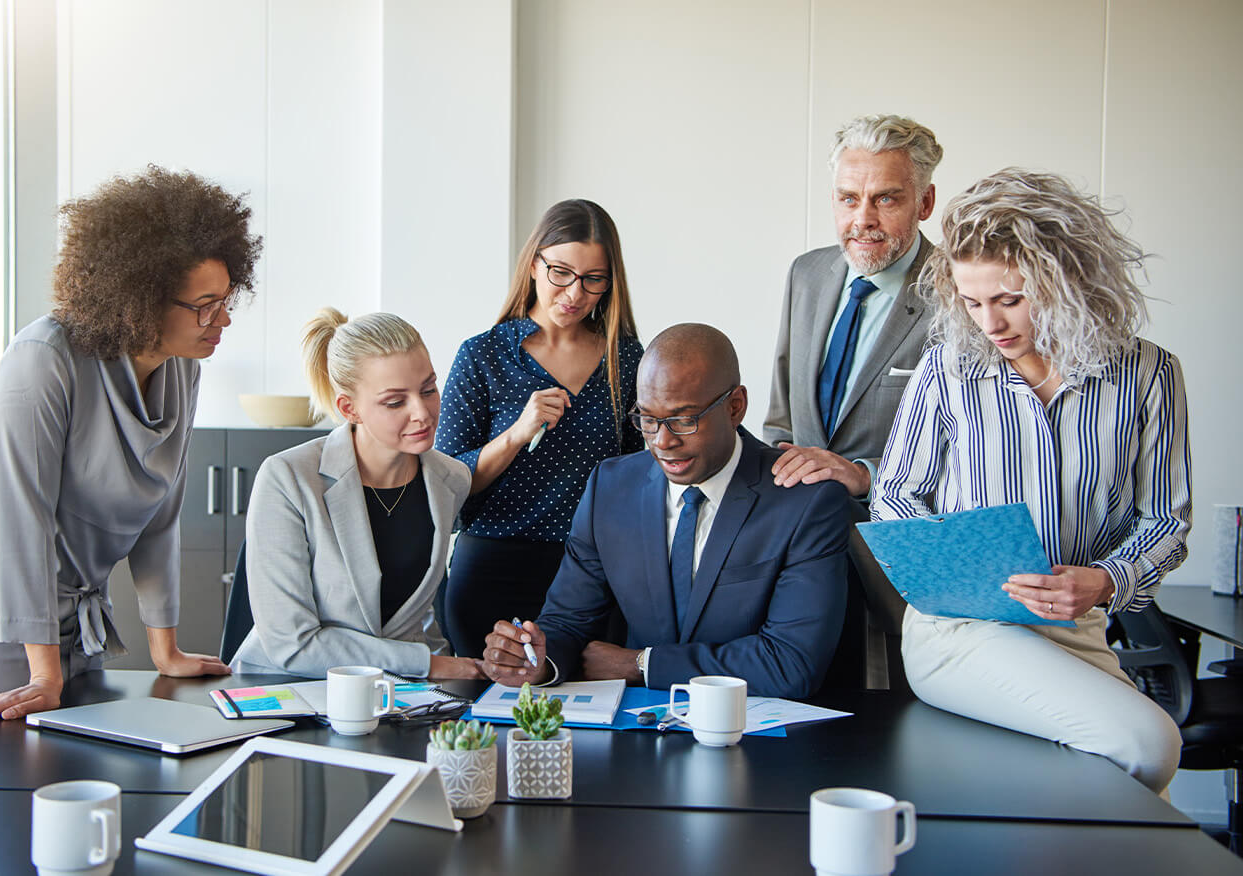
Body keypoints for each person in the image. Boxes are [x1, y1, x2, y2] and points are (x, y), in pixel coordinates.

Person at [0, 167, 262, 756]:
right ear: (141, 298)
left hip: (66, 599)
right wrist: (45, 673)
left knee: (63, 769)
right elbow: (26, 519)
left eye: (225, 302)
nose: (221, 320)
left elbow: (162, 516)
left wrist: (164, 648)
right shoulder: (43, 358)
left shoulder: (183, 370)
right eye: (204, 305)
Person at [871, 169, 1189, 794]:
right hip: (960, 631)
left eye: (1009, 299)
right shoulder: (950, 366)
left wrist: (1104, 580)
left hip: (1079, 631)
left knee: (1143, 782)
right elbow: (896, 494)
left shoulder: (1148, 373)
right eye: (971, 301)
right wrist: (951, 567)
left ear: (1066, 279)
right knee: (1151, 744)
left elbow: (1166, 524)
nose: (989, 322)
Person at [482, 324, 849, 698]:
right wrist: (537, 659)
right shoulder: (610, 488)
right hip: (635, 738)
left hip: (759, 741)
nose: (663, 441)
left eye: (684, 420)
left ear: (735, 406)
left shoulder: (806, 502)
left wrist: (642, 664)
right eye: (648, 419)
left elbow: (791, 663)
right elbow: (567, 624)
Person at [436, 199, 644, 658]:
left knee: (589, 716)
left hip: (590, 573)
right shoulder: (483, 355)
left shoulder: (626, 359)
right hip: (493, 565)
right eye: (561, 273)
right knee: (487, 711)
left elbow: (639, 477)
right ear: (534, 265)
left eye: (593, 279)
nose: (574, 294)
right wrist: (516, 432)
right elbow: (447, 484)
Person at [230, 310, 480, 679]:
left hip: (399, 694)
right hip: (290, 688)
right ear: (350, 408)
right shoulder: (289, 478)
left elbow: (411, 618)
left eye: (429, 389)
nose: (423, 413)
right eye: (395, 402)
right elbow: (292, 643)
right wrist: (431, 665)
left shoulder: (452, 479)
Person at [762, 114, 942, 498]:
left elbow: (974, 448)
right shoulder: (806, 273)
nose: (863, 220)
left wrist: (866, 476)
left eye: (886, 198)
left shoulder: (961, 296)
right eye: (849, 199)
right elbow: (782, 416)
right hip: (798, 528)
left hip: (892, 534)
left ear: (924, 203)